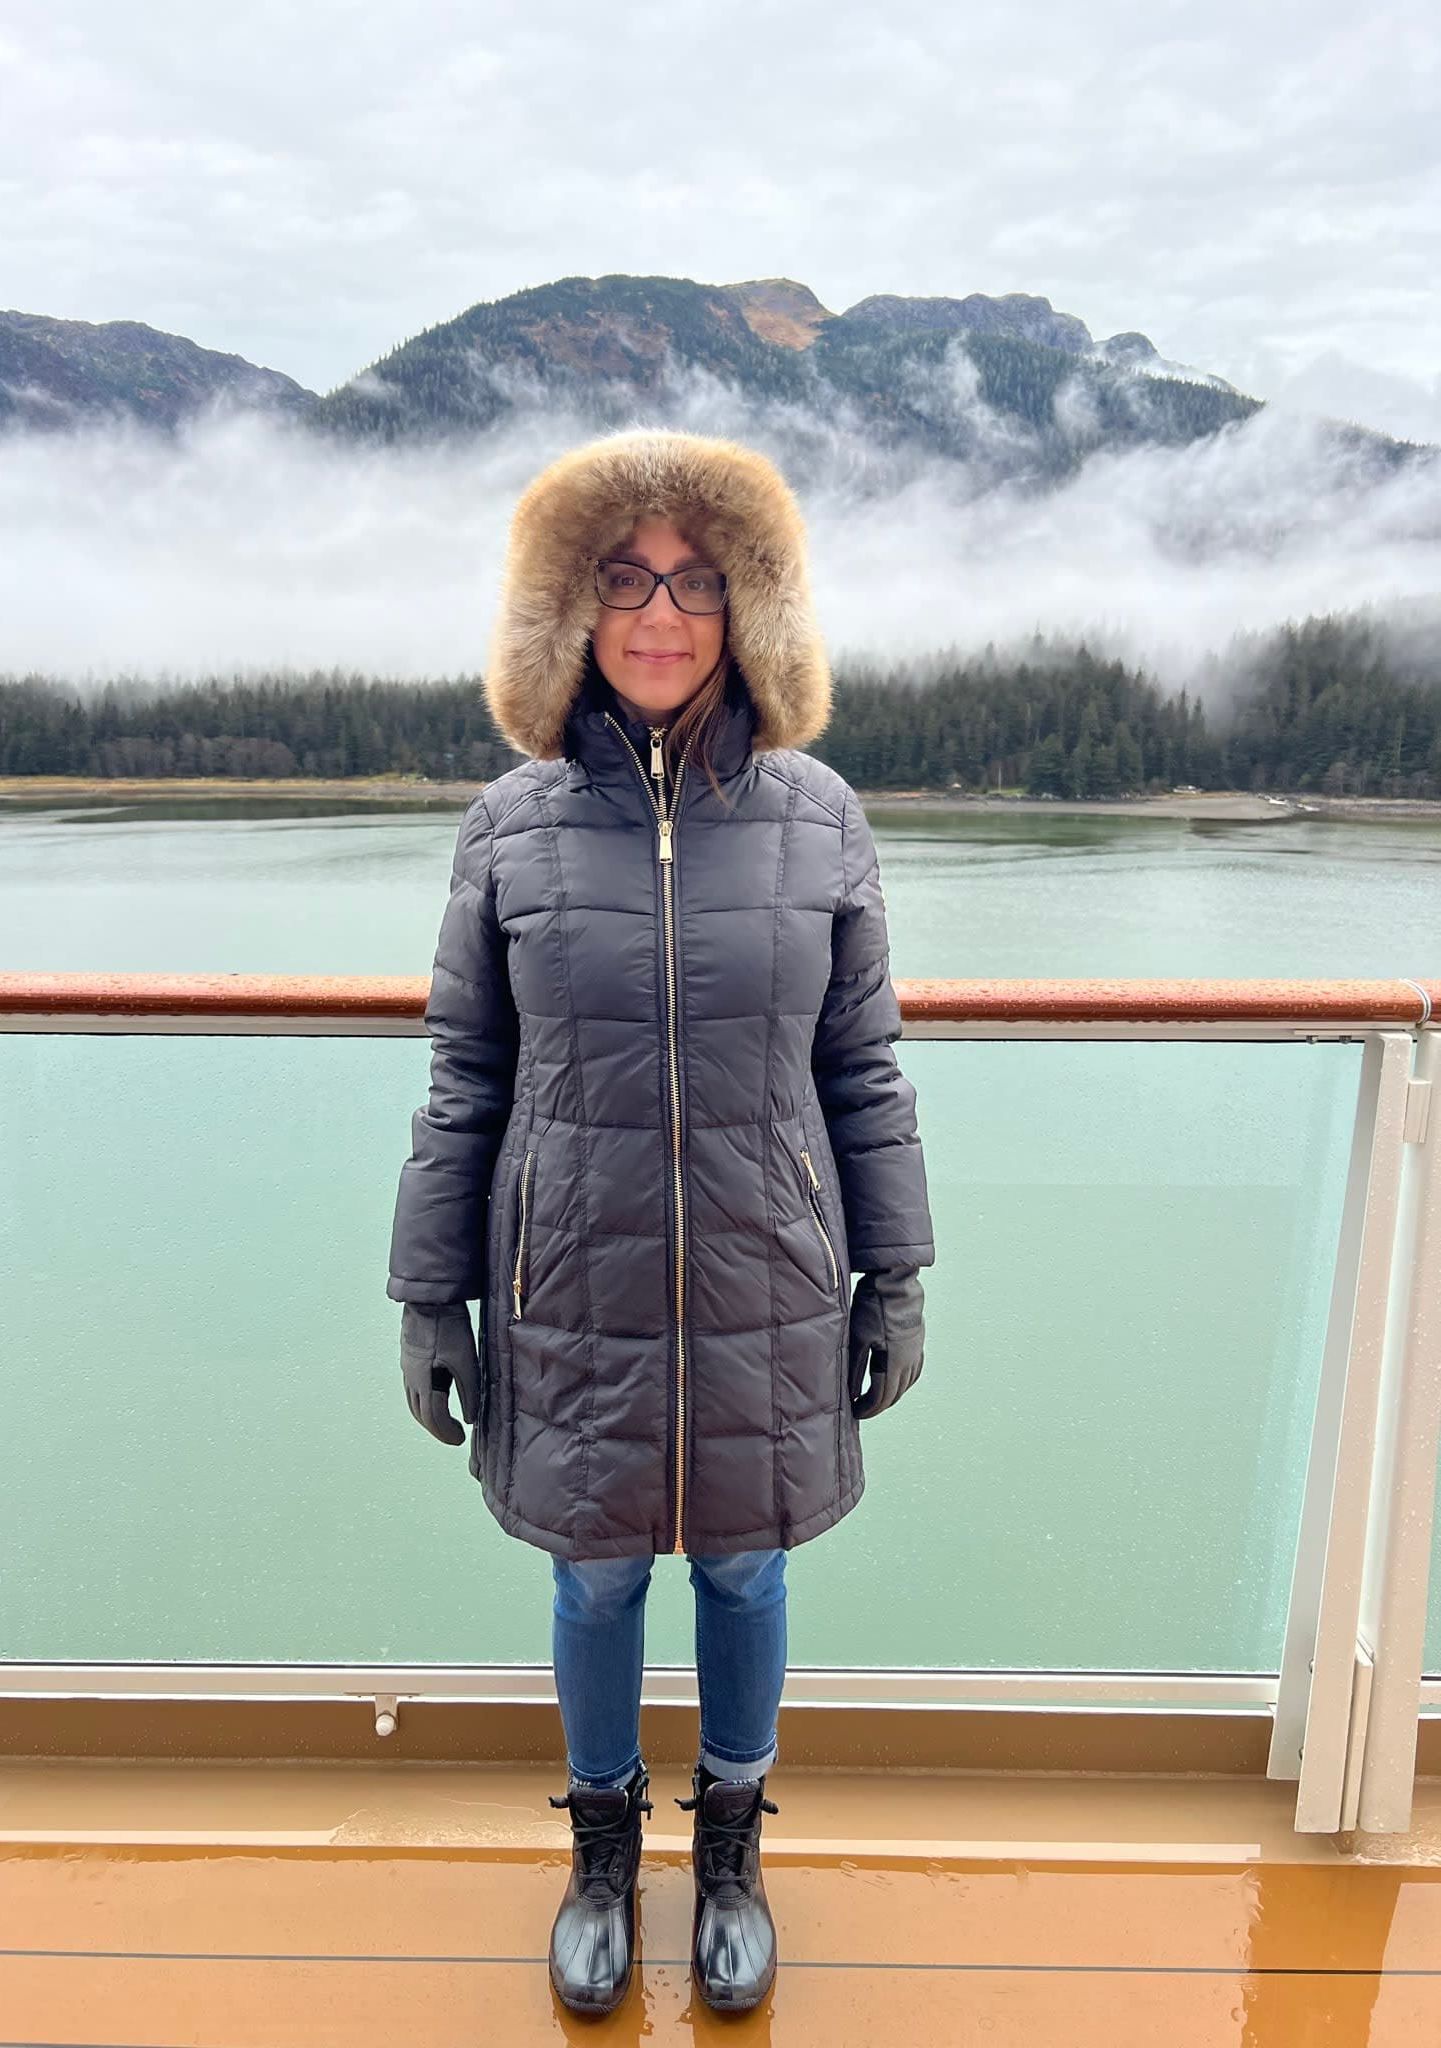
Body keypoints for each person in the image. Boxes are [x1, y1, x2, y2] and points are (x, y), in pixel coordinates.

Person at [387, 427, 934, 2016]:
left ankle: (738, 1842)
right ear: (568, 610)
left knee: (750, 1572)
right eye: (624, 580)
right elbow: (464, 1076)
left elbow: (863, 1066)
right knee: (597, 1581)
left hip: (768, 1265)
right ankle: (606, 1848)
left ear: (749, 609)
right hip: (573, 1275)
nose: (660, 614)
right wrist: (430, 1294)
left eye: (698, 582)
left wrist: (896, 1267)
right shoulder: (511, 827)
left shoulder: (820, 818)